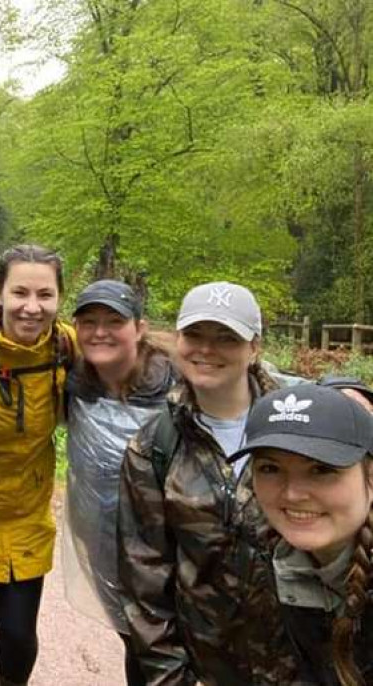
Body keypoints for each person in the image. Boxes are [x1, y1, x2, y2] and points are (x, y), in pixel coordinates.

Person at [117, 280, 300, 685]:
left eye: (226, 338)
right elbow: (145, 584)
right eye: (195, 334)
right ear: (178, 340)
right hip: (205, 670)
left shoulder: (298, 432)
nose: (207, 349)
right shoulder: (154, 446)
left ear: (254, 347)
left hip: (303, 666)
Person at [0, 244, 77, 686]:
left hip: (27, 514)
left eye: (45, 295)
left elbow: (127, 357)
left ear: (58, 298)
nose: (32, 307)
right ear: (0, 293)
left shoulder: (66, 347)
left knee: (17, 631)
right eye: (21, 293)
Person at [62, 279, 176, 685]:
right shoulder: (74, 381)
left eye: (114, 320)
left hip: (169, 545)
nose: (99, 332)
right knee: (136, 642)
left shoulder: (177, 385)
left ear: (140, 327)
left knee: (178, 646)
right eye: (88, 321)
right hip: (104, 541)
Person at [230, 383, 373, 686]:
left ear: (370, 478)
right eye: (270, 468)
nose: (293, 494)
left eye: (321, 469)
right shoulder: (259, 561)